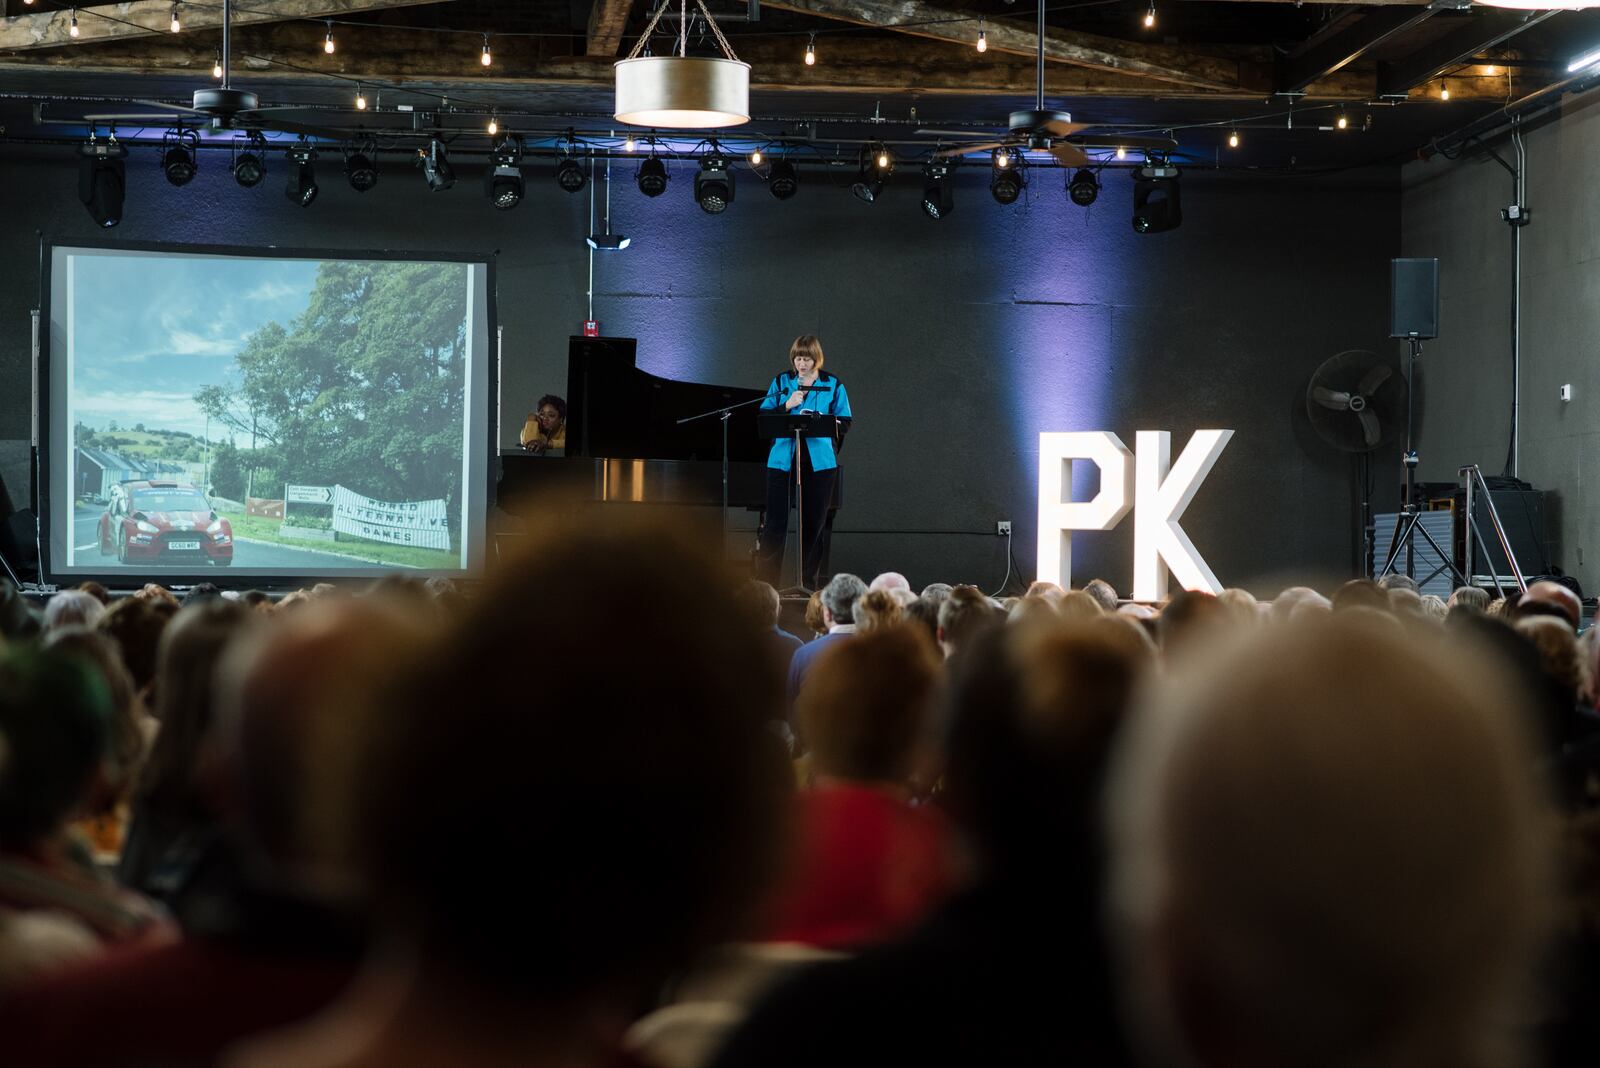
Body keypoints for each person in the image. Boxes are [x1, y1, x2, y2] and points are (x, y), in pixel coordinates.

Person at [757, 336, 853, 590]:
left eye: (807, 359)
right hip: (782, 461)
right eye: (798, 358)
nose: (801, 363)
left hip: (819, 463)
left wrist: (826, 420)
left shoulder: (832, 384)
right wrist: (787, 405)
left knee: (814, 524)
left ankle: (808, 586)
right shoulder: (781, 381)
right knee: (775, 524)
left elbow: (845, 421)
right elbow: (765, 417)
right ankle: (767, 586)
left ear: (816, 359)